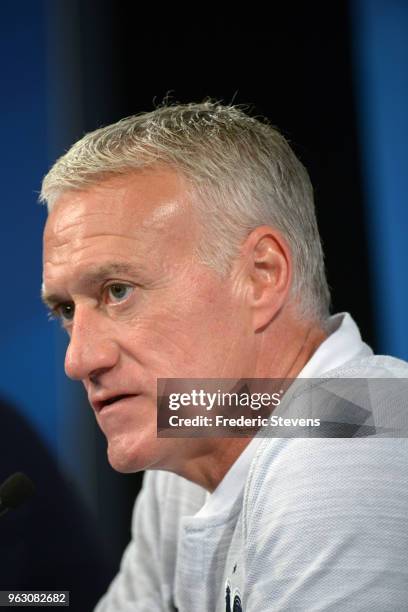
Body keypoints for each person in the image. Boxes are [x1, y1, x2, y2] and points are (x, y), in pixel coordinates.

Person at [40, 102, 408, 611]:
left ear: (261, 275)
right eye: (64, 309)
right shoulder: (193, 441)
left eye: (118, 290)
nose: (79, 360)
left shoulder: (353, 449)